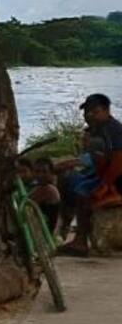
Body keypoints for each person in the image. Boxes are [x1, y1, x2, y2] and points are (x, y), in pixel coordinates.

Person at [58, 93, 122, 256]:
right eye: (87, 112)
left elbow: (118, 161)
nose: (89, 115)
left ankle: (80, 240)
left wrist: (105, 185)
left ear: (106, 110)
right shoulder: (97, 131)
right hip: (105, 175)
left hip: (117, 179)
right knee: (75, 183)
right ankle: (68, 229)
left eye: (94, 111)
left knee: (83, 193)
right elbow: (97, 159)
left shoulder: (113, 130)